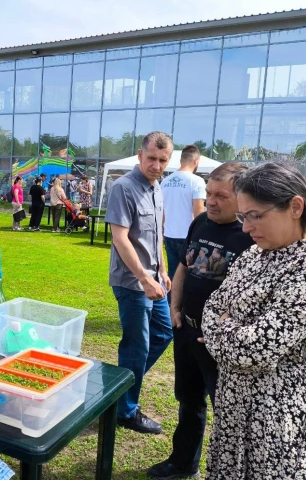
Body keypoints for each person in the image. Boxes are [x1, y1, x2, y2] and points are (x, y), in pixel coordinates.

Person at [201, 162, 306, 480]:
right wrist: (233, 329)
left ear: (295, 206)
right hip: (234, 409)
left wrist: (226, 327)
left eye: (255, 215)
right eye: (243, 216)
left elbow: (253, 351)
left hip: (280, 417)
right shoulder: (254, 255)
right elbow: (212, 308)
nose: (245, 228)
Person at [147, 162, 254, 480]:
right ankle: (183, 463)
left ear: (242, 197)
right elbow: (183, 266)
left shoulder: (251, 236)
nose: (211, 200)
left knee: (230, 413)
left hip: (220, 342)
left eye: (221, 195)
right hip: (187, 330)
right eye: (209, 192)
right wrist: (175, 308)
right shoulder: (201, 222)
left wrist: (224, 330)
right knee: (189, 400)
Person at [105, 131, 173, 434]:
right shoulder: (124, 187)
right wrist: (145, 277)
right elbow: (120, 238)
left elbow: (155, 234)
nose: (157, 165)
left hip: (154, 279)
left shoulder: (157, 188)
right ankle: (125, 410)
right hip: (132, 283)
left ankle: (117, 390)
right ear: (140, 154)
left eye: (163, 160)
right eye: (152, 158)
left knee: (163, 332)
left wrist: (162, 270)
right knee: (137, 346)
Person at [160, 145, 206, 288]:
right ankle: (180, 306)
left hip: (169, 234)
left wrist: (162, 230)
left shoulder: (165, 181)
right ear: (196, 161)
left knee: (173, 273)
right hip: (188, 236)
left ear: (181, 160)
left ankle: (170, 305)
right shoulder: (196, 181)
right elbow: (199, 211)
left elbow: (161, 211)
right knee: (190, 275)